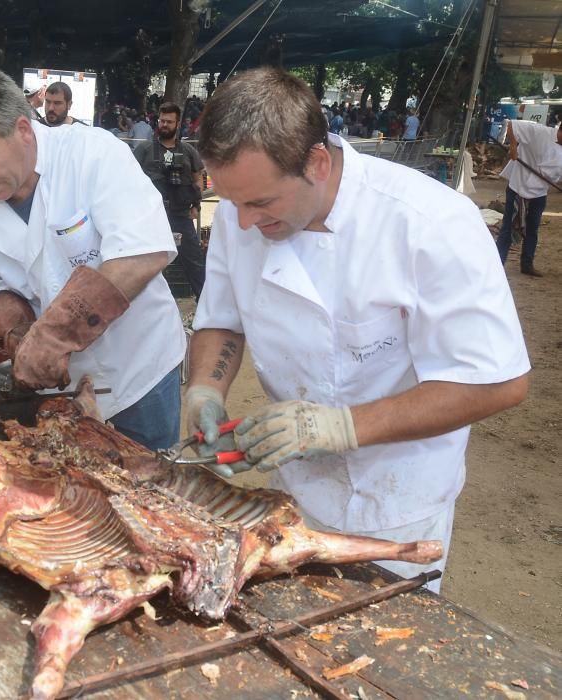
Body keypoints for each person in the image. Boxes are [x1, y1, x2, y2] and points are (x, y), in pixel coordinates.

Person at [185, 67, 530, 591]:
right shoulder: (243, 217)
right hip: (292, 494)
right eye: (232, 203)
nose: (244, 223)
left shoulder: (430, 224)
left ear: (317, 164)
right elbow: (223, 319)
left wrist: (340, 428)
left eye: (261, 203)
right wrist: (204, 390)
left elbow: (497, 381)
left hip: (396, 501)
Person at [0, 63, 185, 450]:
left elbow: (141, 254)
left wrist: (55, 335)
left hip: (138, 369)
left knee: (150, 489)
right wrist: (21, 337)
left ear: (23, 130)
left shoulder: (92, 153)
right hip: (56, 389)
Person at [134, 102, 207, 299]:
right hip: (151, 218)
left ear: (177, 123)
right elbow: (129, 178)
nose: (165, 124)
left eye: (169, 121)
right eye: (162, 120)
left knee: (195, 264)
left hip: (180, 217)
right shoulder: (145, 149)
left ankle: (206, 308)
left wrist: (196, 204)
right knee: (145, 264)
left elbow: (198, 177)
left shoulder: (188, 152)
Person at [494, 119, 562, 277]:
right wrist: (513, 147)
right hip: (519, 186)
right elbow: (512, 125)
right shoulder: (540, 132)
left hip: (539, 193)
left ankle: (527, 264)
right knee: (508, 228)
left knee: (532, 229)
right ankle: (497, 264)